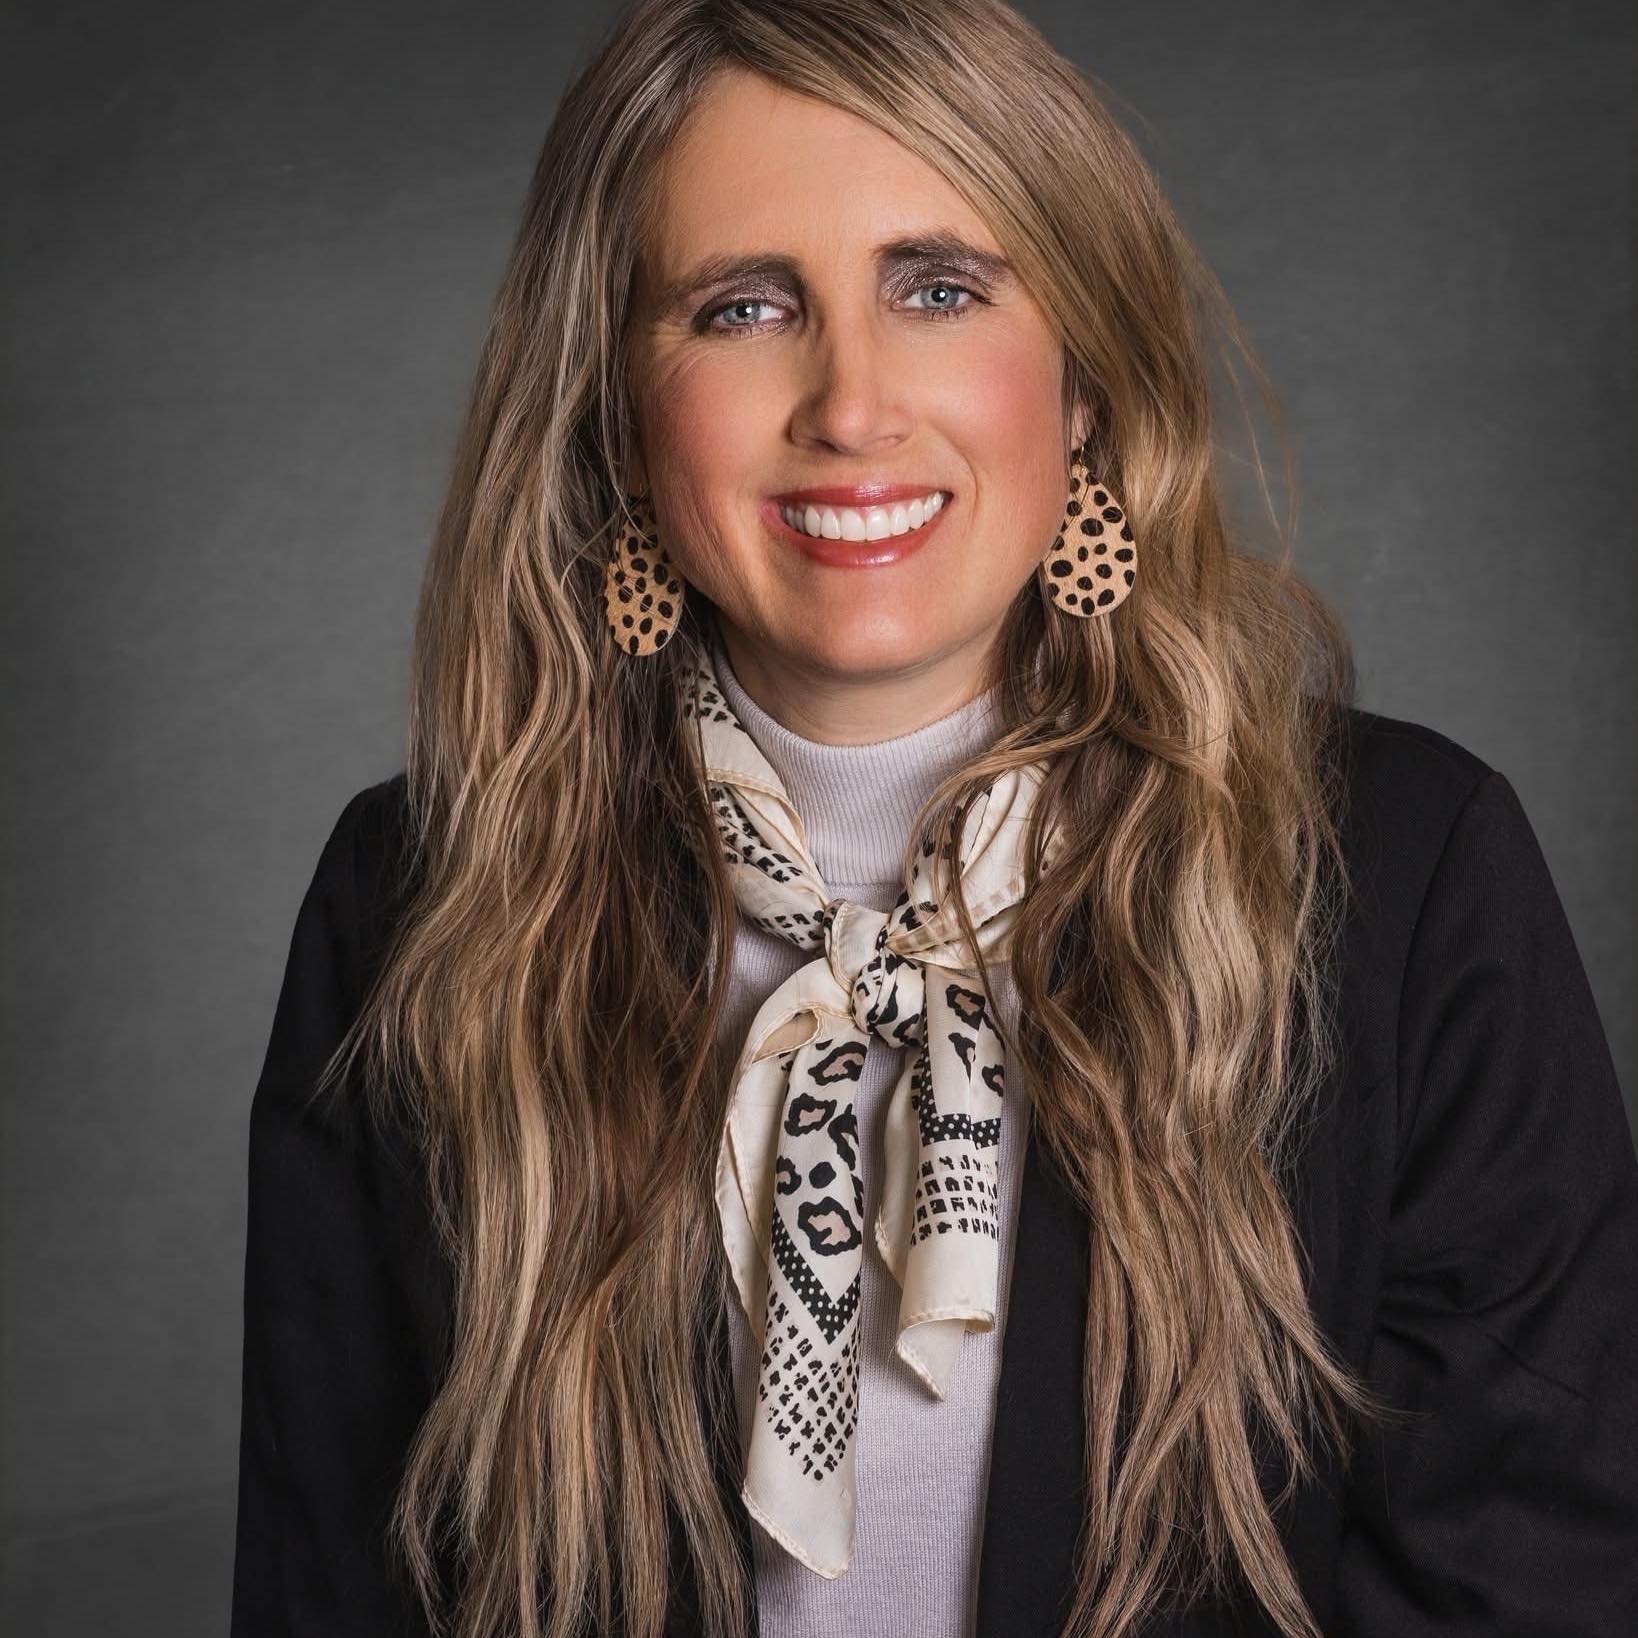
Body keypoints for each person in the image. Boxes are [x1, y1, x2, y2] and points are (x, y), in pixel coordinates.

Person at [228, 1, 1638, 1635]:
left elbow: (1530, 1577)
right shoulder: (415, 901)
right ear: (615, 409)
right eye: (743, 307)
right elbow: (332, 1587)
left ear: (1084, 377)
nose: (851, 404)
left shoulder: (1396, 869)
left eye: (939, 288)